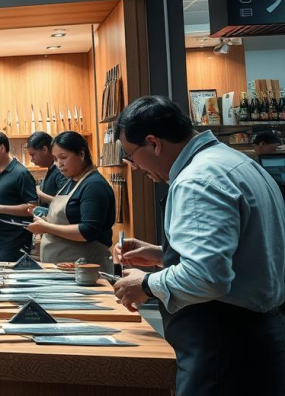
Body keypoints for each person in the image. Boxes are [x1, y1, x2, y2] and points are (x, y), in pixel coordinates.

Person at [110, 96, 285, 395]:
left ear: (153, 143)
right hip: (258, 337)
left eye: (130, 155)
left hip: (223, 346)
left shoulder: (197, 180)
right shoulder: (236, 162)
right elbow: (242, 253)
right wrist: (160, 254)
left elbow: (207, 277)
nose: (135, 168)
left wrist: (147, 284)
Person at [25, 131, 115, 272]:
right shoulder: (71, 181)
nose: (59, 164)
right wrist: (44, 215)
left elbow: (88, 231)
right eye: (55, 159)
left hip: (86, 270)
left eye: (63, 158)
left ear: (81, 154)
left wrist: (46, 227)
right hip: (63, 268)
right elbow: (69, 216)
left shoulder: (94, 185)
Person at [0, 131, 38, 262]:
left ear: (2, 148)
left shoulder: (21, 173)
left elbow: (33, 208)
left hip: (14, 242)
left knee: (11, 281)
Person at [26, 131, 67, 206]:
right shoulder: (51, 169)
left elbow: (66, 204)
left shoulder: (61, 171)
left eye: (33, 155)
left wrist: (40, 194)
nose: (32, 159)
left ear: (44, 149)